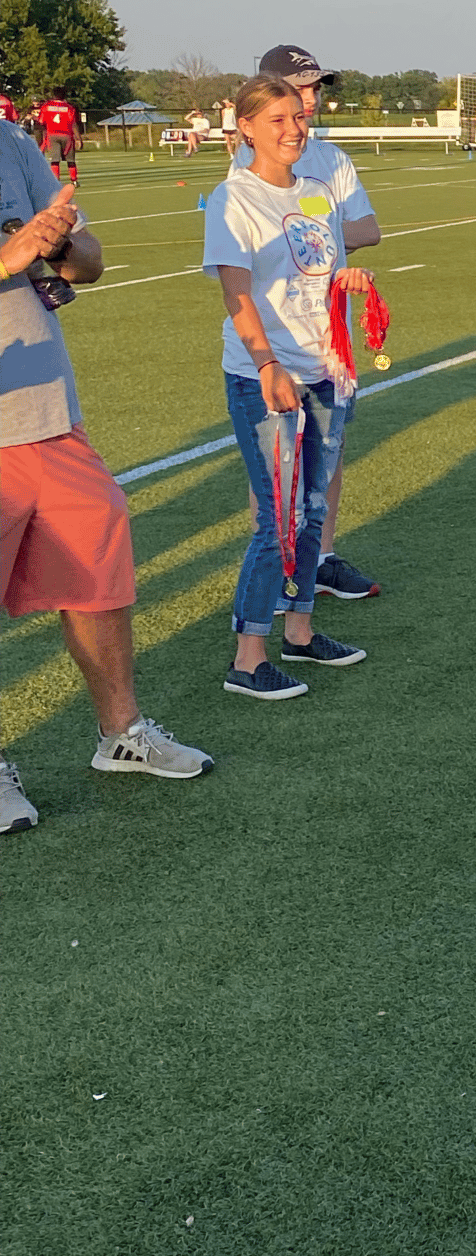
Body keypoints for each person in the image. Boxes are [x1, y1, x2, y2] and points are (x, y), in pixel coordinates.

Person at [2, 119, 216, 835]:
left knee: (96, 565)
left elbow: (87, 262)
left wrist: (58, 241)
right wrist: (12, 254)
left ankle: (121, 733)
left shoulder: (9, 141)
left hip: (46, 409)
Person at [203, 75, 372, 700]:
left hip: (326, 370)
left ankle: (299, 633)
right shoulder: (233, 198)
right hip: (265, 376)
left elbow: (316, 270)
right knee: (276, 520)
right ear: (245, 127)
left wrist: (345, 278)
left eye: (298, 117)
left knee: (314, 513)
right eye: (277, 119)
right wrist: (268, 363)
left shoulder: (317, 191)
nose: (294, 128)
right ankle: (248, 659)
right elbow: (236, 291)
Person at [234, 45, 383, 602]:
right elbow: (251, 252)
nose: (310, 100)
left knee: (329, 452)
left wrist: (310, 232)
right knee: (277, 464)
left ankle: (319, 558)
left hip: (329, 333)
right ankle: (276, 566)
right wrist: (314, 231)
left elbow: (367, 228)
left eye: (314, 89)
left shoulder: (331, 160)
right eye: (299, 89)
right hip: (276, 336)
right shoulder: (248, 169)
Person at [36, 94, 80, 185]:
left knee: (54, 159)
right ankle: (74, 180)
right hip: (67, 135)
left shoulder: (47, 106)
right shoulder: (69, 107)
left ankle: (56, 181)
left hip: (52, 134)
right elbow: (73, 123)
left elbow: (41, 121)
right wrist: (78, 138)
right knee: (70, 159)